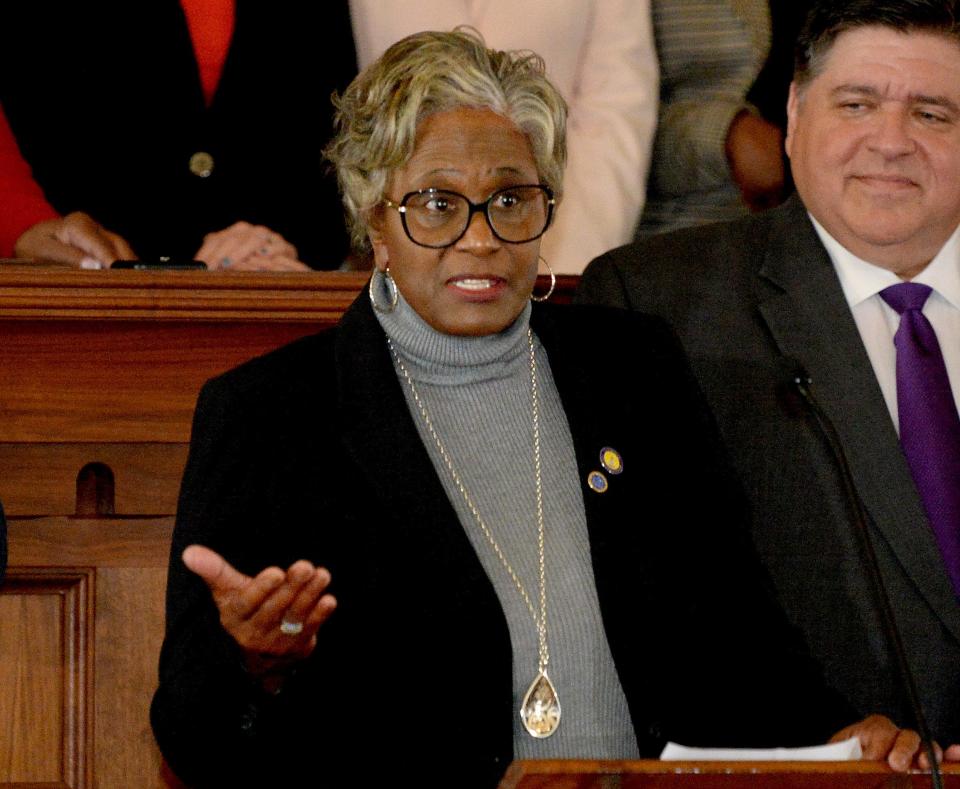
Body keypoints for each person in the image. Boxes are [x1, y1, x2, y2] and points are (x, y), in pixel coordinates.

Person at [151, 29, 935, 789]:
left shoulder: (633, 370)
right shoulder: (271, 412)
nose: (481, 237)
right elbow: (192, 735)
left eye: (511, 199)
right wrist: (251, 663)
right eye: (436, 203)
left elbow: (736, 637)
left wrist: (837, 736)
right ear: (375, 220)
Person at [579, 0, 960, 749]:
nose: (891, 142)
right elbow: (649, 602)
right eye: (857, 104)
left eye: (934, 114)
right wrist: (830, 737)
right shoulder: (660, 304)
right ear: (793, 111)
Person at [0, 2, 356, 271]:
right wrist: (25, 226)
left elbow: (347, 128)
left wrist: (279, 247)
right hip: (72, 301)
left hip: (280, 305)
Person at [349, 0, 658, 274]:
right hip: (388, 236)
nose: (480, 242)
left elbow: (616, 107)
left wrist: (565, 260)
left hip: (561, 229)